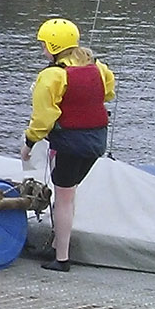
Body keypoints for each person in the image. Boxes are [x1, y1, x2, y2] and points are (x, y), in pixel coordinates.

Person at [20, 17, 116, 272]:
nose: (42, 50)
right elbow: (108, 92)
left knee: (63, 199)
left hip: (70, 143)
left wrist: (29, 143)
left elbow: (43, 118)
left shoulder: (53, 75)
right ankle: (57, 244)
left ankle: (61, 258)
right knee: (69, 194)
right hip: (96, 142)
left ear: (54, 47)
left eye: (44, 45)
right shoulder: (99, 67)